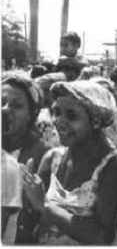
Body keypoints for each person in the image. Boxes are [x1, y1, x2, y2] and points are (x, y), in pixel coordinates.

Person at [21, 80, 117, 245]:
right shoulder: (51, 159)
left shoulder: (113, 165)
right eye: (57, 112)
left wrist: (45, 205)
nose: (59, 121)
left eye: (71, 115)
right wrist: (26, 196)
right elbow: (31, 221)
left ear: (95, 120)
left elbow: (101, 237)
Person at [2, 71, 51, 243]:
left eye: (16, 105)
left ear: (32, 114)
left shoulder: (46, 155)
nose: (5, 110)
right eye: (1, 102)